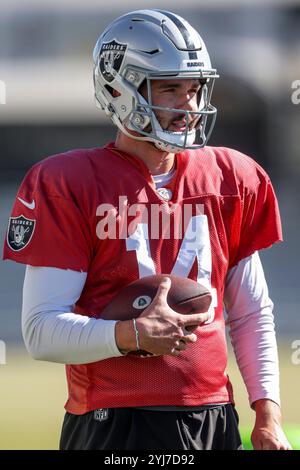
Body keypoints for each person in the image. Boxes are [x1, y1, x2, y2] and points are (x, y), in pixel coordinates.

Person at [3, 9, 292, 450]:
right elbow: (41, 331)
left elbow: (251, 312)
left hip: (213, 416)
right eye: (170, 88)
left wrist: (267, 413)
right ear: (120, 88)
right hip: (112, 421)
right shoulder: (69, 181)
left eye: (194, 88)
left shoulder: (232, 176)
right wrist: (130, 336)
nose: (189, 105)